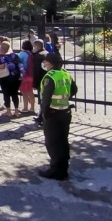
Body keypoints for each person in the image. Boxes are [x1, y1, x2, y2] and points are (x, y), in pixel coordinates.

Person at [39, 53, 74, 181]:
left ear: (51, 63)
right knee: (63, 141)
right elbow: (74, 89)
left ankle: (55, 171)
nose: (44, 64)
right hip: (65, 112)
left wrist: (43, 114)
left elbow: (46, 98)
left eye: (46, 62)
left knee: (53, 143)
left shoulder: (50, 77)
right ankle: (63, 169)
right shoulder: (65, 73)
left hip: (53, 114)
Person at [0, 41, 23, 118]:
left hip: (6, 77)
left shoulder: (1, 57)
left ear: (2, 48)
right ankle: (16, 111)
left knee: (6, 94)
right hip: (16, 77)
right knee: (15, 94)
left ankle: (8, 111)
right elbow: (20, 65)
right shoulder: (15, 55)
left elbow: (2, 67)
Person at [18, 40, 36, 114]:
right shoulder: (32, 54)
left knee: (24, 92)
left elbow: (18, 63)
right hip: (31, 75)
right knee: (30, 91)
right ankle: (32, 108)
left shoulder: (21, 54)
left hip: (24, 75)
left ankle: (25, 108)